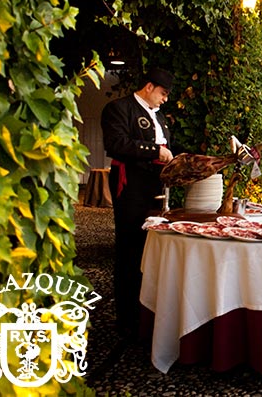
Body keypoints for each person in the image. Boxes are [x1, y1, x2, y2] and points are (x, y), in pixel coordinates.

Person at [101, 67, 175, 337]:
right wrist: (155, 151)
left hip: (156, 188)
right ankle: (126, 318)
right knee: (130, 249)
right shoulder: (119, 109)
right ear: (149, 86)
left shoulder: (161, 117)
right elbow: (116, 143)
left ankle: (147, 312)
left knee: (151, 250)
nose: (165, 99)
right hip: (131, 187)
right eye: (163, 93)